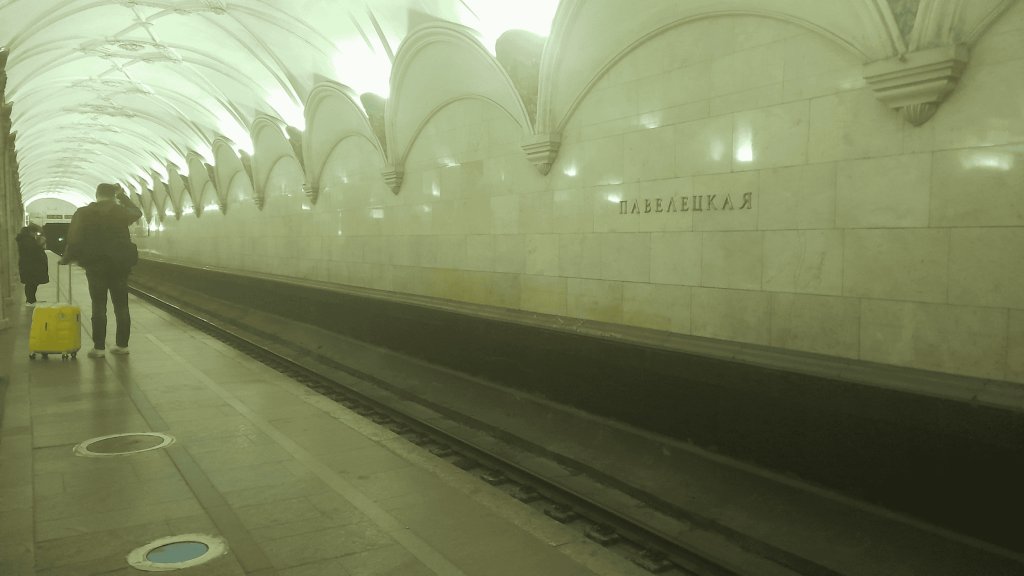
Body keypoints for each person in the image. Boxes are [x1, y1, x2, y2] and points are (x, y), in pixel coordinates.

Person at [59, 183, 142, 358]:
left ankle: (99, 348)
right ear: (113, 195)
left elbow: (73, 239)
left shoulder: (83, 212)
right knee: (121, 306)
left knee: (98, 306)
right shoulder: (121, 211)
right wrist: (122, 196)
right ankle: (122, 345)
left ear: (96, 195)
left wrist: (66, 259)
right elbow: (137, 213)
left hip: (95, 266)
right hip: (119, 266)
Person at [16, 223, 49, 306]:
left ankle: (32, 300)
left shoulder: (26, 238)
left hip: (30, 265)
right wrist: (41, 243)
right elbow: (33, 251)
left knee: (33, 282)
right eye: (34, 232)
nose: (35, 234)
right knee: (31, 283)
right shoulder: (27, 239)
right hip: (29, 265)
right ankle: (30, 301)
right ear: (31, 231)